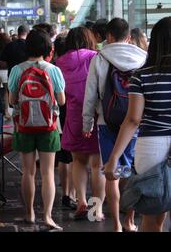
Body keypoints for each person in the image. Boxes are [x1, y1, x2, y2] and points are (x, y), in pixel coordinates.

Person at [105, 16, 171, 232]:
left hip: (151, 146)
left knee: (151, 219)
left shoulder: (141, 77)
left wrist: (114, 158)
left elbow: (133, 120)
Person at [83, 17, 147, 232]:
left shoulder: (99, 58)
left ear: (108, 36)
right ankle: (130, 220)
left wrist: (86, 124)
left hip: (105, 121)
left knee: (111, 171)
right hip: (135, 122)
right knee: (131, 171)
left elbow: (90, 95)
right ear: (129, 37)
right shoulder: (143, 58)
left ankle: (117, 226)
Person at [8, 29, 66, 231]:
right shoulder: (53, 70)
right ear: (47, 48)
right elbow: (61, 100)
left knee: (28, 172)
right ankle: (48, 216)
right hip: (49, 126)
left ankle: (29, 213)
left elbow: (12, 100)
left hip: (23, 126)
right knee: (48, 173)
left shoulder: (17, 70)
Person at [56, 27, 104, 219]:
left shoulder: (60, 62)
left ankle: (81, 201)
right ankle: (96, 210)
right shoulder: (96, 57)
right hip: (96, 115)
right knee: (97, 165)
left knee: (78, 161)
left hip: (73, 117)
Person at [52, 32, 77, 209]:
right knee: (75, 158)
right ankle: (74, 195)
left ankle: (65, 194)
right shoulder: (74, 65)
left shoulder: (54, 67)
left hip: (56, 117)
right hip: (73, 113)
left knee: (63, 157)